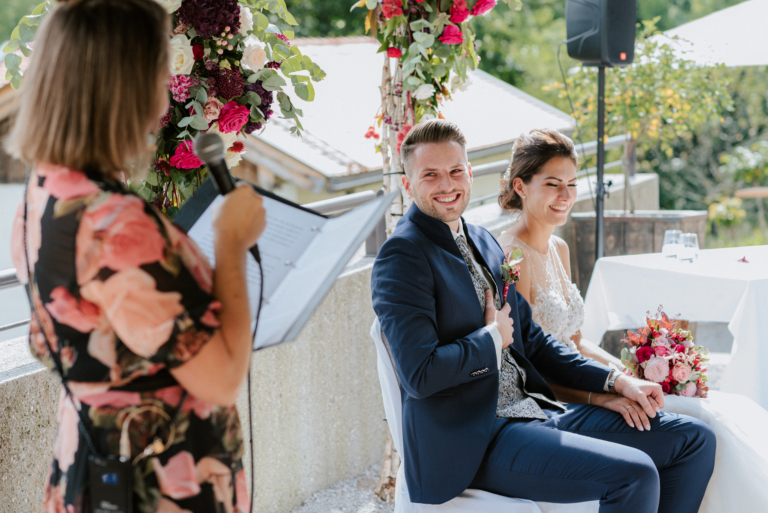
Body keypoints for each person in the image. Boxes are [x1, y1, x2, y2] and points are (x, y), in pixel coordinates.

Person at [370, 119, 715, 513]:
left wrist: (618, 381)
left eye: (455, 171)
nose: (447, 184)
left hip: (537, 410)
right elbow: (420, 374)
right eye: (431, 174)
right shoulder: (402, 257)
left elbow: (534, 341)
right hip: (477, 438)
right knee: (634, 474)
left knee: (692, 440)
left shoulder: (482, 240)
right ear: (407, 184)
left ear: (469, 173)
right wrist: (492, 338)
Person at [6, 0, 265, 511]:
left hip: (91, 466)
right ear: (127, 86)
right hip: (157, 482)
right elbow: (220, 378)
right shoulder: (118, 226)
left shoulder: (41, 195)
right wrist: (231, 245)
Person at [497, 128, 768, 512]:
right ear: (521, 187)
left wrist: (629, 377)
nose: (566, 196)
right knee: (698, 433)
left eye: (572, 184)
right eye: (553, 184)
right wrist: (605, 395)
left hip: (582, 382)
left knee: (712, 412)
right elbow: (528, 366)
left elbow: (574, 343)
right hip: (552, 405)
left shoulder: (558, 247)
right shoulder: (511, 258)